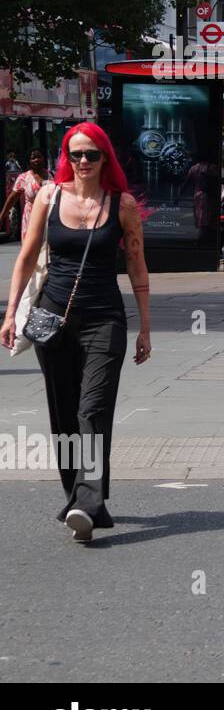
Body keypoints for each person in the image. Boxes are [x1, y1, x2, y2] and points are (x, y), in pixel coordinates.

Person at [1, 123, 150, 542]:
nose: (83, 161)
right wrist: (11, 314)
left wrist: (145, 327)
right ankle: (79, 498)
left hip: (105, 319)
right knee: (64, 414)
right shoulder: (50, 196)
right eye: (76, 154)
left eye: (92, 154)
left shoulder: (122, 205)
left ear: (106, 157)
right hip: (53, 319)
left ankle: (88, 500)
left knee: (92, 411)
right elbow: (27, 258)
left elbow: (137, 265)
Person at [1, 148, 51, 242]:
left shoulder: (52, 175)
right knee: (31, 250)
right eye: (33, 158)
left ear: (43, 158)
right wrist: (2, 216)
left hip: (49, 218)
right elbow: (12, 198)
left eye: (39, 157)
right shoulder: (23, 178)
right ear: (29, 161)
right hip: (31, 219)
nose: (36, 160)